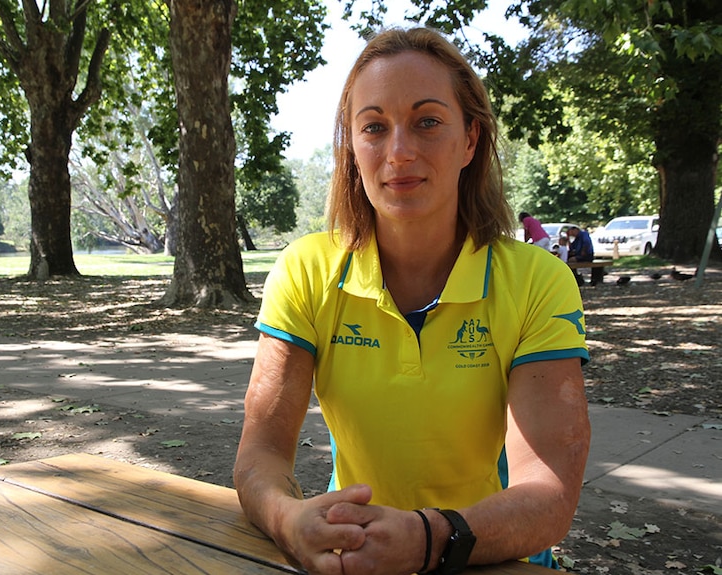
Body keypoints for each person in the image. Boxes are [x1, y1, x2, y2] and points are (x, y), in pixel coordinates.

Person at [234, 27, 590, 575]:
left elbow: (548, 497)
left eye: (427, 122)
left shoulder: (538, 281)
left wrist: (430, 539)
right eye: (374, 127)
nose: (399, 152)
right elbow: (260, 456)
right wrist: (289, 520)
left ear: (471, 139)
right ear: (352, 148)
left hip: (492, 559)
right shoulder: (305, 271)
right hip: (352, 557)